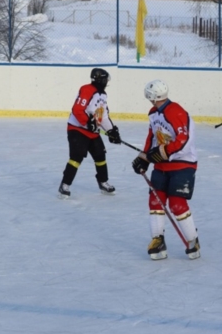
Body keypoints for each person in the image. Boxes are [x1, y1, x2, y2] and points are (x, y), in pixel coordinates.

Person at [131, 80, 201, 260]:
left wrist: (163, 152)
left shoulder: (175, 111)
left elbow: (183, 139)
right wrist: (144, 158)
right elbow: (152, 137)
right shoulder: (154, 113)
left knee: (177, 205)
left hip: (182, 164)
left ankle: (193, 240)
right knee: (155, 202)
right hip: (161, 165)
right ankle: (158, 241)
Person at [58, 68, 122, 199]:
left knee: (100, 156)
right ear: (100, 79)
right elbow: (77, 110)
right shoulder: (87, 89)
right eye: (105, 79)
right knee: (76, 157)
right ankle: (65, 185)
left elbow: (103, 116)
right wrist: (88, 123)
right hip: (77, 129)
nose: (106, 82)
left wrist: (111, 130)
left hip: (92, 132)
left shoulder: (103, 95)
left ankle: (103, 182)